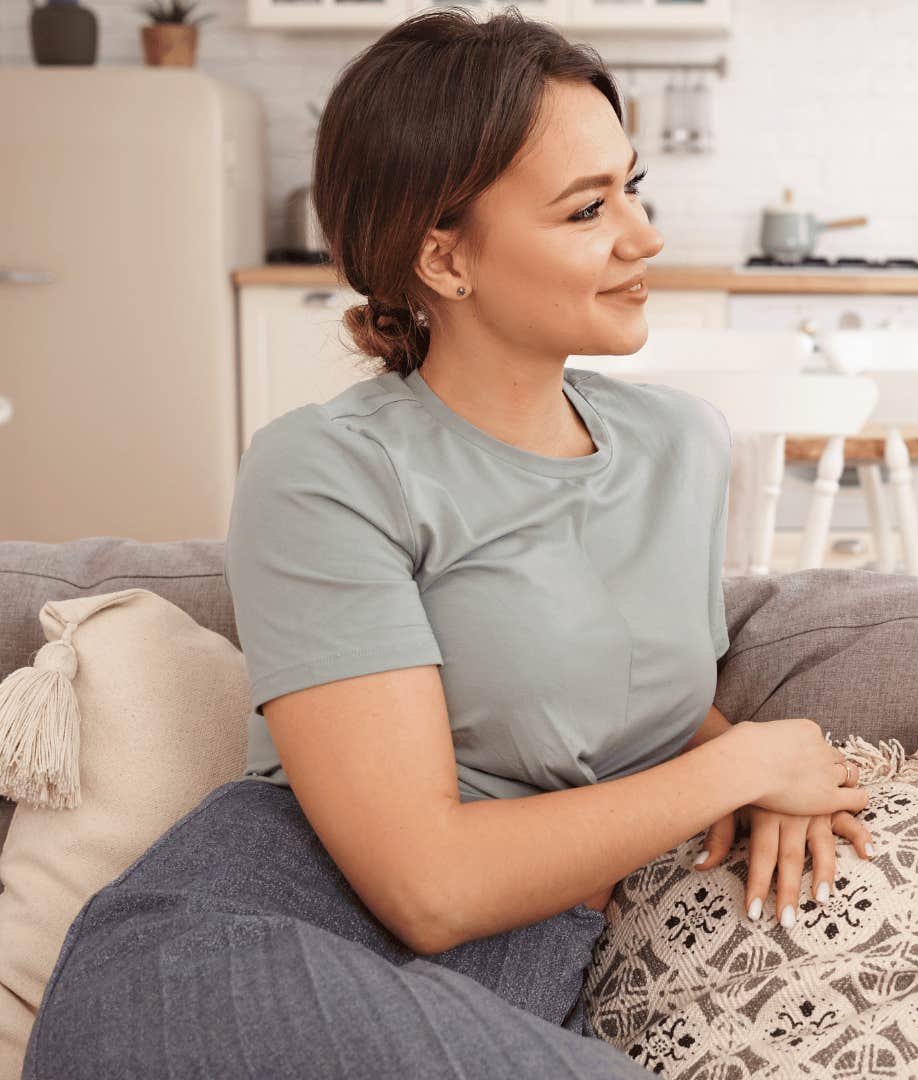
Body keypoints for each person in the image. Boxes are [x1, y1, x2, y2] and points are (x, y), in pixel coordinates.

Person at [25, 12, 868, 1077]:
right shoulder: (327, 470)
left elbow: (626, 700)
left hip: (514, 968)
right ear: (444, 258)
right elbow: (431, 887)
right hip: (228, 953)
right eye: (586, 210)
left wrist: (762, 762)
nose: (644, 234)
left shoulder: (682, 446)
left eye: (633, 187)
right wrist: (741, 763)